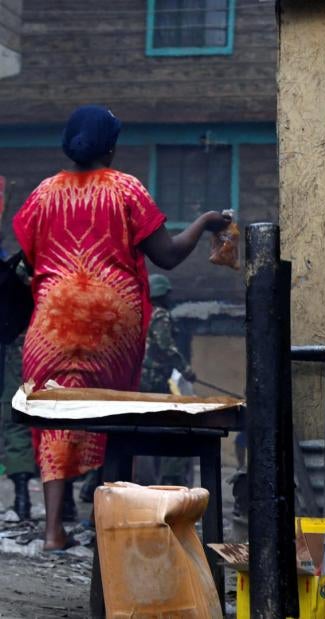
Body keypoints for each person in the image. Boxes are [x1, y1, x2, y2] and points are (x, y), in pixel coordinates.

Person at [12, 105, 229, 550]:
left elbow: (31, 258)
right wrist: (206, 221)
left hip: (52, 322)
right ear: (110, 145)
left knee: (55, 413)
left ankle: (53, 530)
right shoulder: (127, 189)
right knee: (111, 413)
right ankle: (106, 526)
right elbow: (167, 255)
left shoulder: (42, 193)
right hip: (112, 325)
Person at [139, 273, 195, 486]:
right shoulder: (160, 315)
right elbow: (166, 347)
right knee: (174, 426)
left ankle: (92, 483)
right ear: (162, 294)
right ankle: (171, 479)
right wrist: (186, 369)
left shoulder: (142, 313)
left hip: (139, 381)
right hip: (154, 381)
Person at [2, 335, 38, 521]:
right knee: (62, 416)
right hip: (64, 342)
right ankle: (65, 502)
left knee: (16, 416)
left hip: (24, 342)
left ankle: (22, 501)